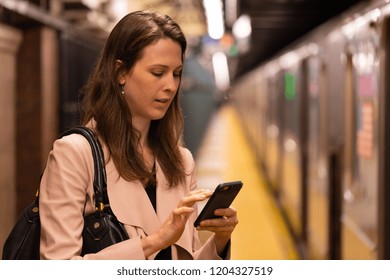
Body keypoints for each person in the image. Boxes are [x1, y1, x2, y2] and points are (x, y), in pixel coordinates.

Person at [39, 10, 238, 260]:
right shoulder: (75, 155)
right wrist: (153, 243)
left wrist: (220, 241)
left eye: (176, 73)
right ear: (120, 73)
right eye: (158, 72)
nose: (171, 85)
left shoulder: (181, 162)